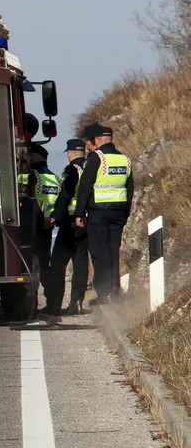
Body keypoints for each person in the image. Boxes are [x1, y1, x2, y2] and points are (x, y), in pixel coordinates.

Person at [73, 123, 133, 305]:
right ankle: (115, 291)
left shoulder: (96, 158)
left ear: (96, 140)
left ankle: (103, 293)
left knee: (100, 252)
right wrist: (126, 212)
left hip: (99, 213)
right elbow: (130, 188)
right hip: (118, 212)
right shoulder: (125, 159)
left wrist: (79, 213)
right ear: (111, 139)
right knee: (113, 251)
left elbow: (85, 188)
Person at [44, 138, 90, 316]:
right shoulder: (91, 168)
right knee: (80, 264)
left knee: (57, 265)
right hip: (86, 223)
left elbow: (65, 196)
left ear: (69, 154)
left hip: (70, 224)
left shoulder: (72, 170)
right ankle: (77, 303)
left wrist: (55, 217)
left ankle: (54, 305)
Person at [21, 143, 58, 310]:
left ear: (35, 157)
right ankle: (52, 302)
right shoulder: (54, 178)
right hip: (47, 227)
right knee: (44, 265)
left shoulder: (27, 176)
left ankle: (31, 303)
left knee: (29, 265)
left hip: (29, 228)